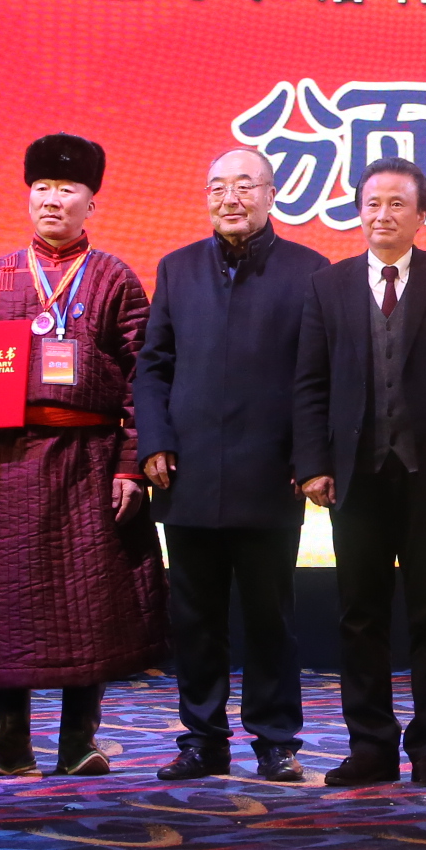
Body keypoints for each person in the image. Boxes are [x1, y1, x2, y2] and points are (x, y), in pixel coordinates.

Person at [0, 133, 167, 777]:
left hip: (90, 461)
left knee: (89, 603)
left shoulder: (114, 277)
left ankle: (78, 744)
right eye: (42, 189)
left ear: (92, 202)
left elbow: (144, 377)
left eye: (67, 189)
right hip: (7, 461)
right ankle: (10, 745)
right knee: (5, 603)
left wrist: (129, 463)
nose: (52, 200)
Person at [134, 146, 330, 782]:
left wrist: (308, 458)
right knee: (195, 617)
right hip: (186, 471)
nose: (230, 198)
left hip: (270, 472)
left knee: (270, 617)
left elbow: (317, 376)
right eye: (218, 186)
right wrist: (153, 441)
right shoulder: (177, 267)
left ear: (272, 196)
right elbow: (153, 366)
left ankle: (275, 740)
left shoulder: (309, 271)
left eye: (245, 185)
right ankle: (202, 738)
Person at [291, 156, 426, 788]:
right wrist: (312, 465)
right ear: (358, 212)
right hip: (357, 475)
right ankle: (370, 745)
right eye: (372, 203)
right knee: (360, 615)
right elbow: (310, 383)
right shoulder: (327, 285)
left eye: (398, 203)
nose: (383, 215)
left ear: (422, 215)